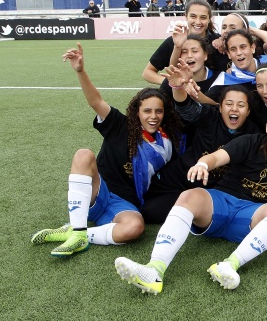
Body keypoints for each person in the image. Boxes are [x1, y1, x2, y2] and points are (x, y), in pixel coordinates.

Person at [114, 108, 267, 294]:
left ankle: (230, 265)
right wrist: (203, 164)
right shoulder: (251, 141)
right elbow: (217, 157)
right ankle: (154, 270)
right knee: (190, 195)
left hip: (251, 217)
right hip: (219, 204)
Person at [31, 43, 184, 257]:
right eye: (147, 110)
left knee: (135, 228)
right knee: (84, 154)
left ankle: (79, 233)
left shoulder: (169, 143)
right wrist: (81, 71)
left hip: (124, 205)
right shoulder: (120, 125)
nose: (153, 116)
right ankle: (77, 229)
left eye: (159, 111)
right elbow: (95, 101)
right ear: (136, 112)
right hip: (97, 191)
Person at [142, 82, 261, 223]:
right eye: (229, 104)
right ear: (220, 108)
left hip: (206, 192)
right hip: (177, 179)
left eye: (241, 105)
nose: (234, 109)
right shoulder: (210, 116)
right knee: (148, 210)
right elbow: (186, 107)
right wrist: (178, 87)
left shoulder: (254, 135)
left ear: (248, 111)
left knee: (156, 211)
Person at [142, 0, 224, 85]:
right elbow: (147, 73)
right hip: (180, 96)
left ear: (209, 19)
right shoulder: (173, 42)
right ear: (186, 16)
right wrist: (173, 83)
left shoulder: (218, 42)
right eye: (193, 16)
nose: (198, 22)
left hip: (210, 96)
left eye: (203, 17)